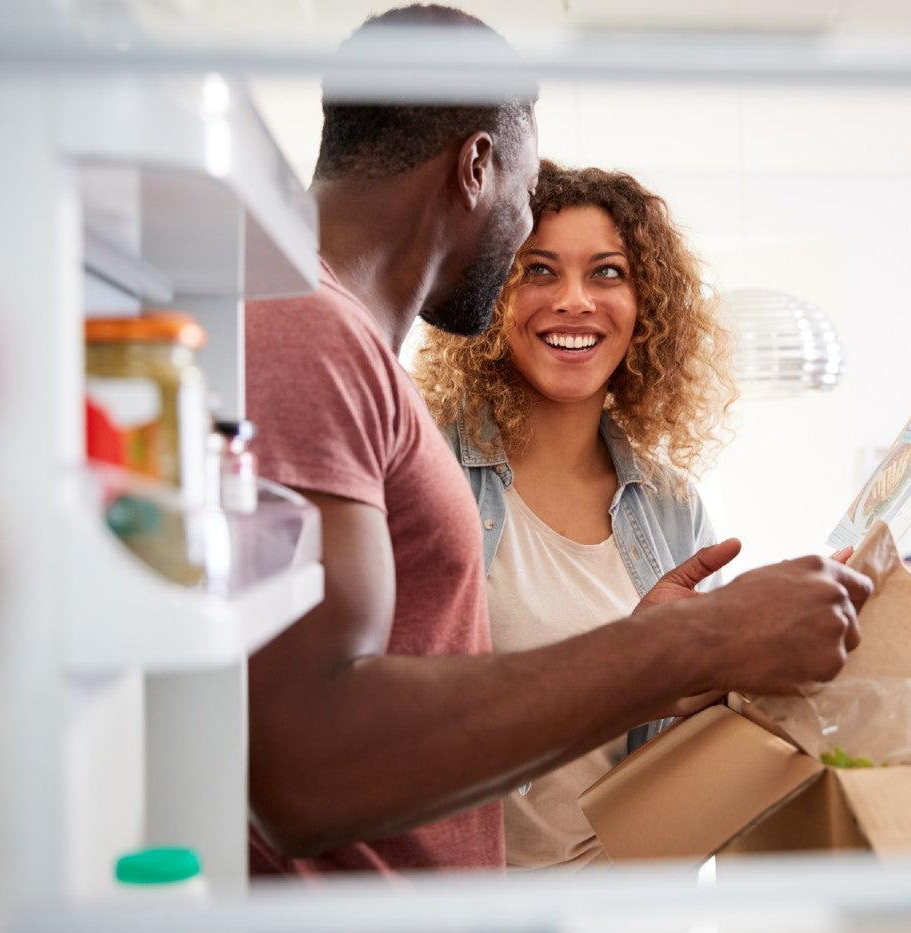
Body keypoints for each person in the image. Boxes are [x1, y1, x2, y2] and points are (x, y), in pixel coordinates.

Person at [246, 4, 872, 877]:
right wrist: (696, 640)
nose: (525, 256)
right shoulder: (307, 331)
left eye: (604, 273)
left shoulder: (326, 336)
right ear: (478, 166)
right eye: (526, 205)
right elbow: (300, 769)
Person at [414, 161, 738, 869]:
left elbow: (701, 744)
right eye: (538, 270)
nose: (573, 301)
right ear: (493, 292)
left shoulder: (671, 506)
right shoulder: (424, 466)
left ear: (645, 303)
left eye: (607, 273)